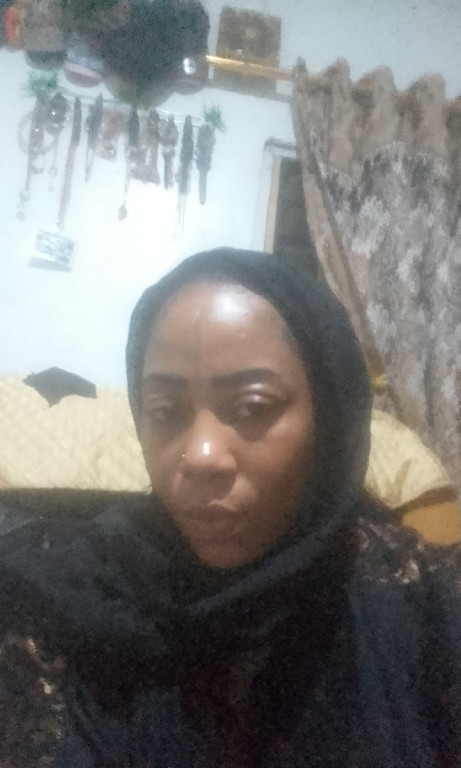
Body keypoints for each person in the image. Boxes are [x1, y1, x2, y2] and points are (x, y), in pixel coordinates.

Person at [0, 247, 460, 767]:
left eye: (252, 407)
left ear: (330, 420)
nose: (200, 457)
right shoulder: (62, 604)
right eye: (164, 412)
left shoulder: (427, 611)